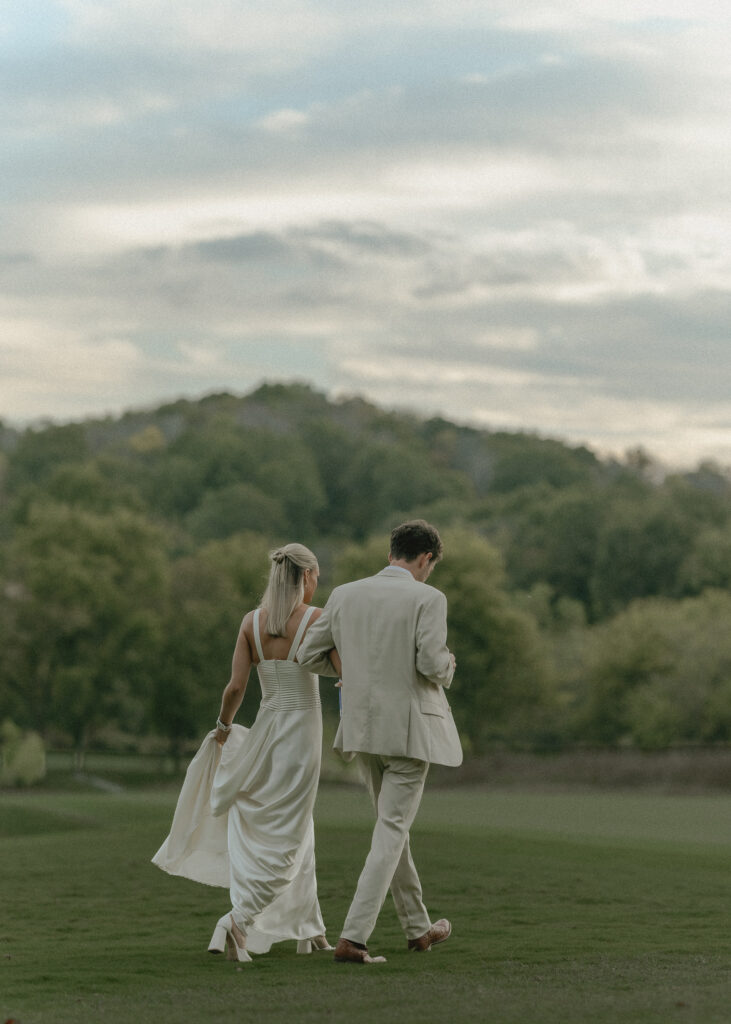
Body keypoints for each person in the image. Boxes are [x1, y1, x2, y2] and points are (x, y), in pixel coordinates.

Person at [152, 543, 333, 963]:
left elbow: (235, 688)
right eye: (316, 577)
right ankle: (238, 920)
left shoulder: (252, 623)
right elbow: (343, 669)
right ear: (306, 576)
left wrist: (222, 728)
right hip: (302, 735)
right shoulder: (316, 619)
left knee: (299, 825)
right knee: (290, 833)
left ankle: (312, 927)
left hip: (267, 730)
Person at [296, 519, 462, 964]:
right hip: (409, 733)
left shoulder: (346, 594)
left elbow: (307, 654)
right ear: (425, 559)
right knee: (391, 830)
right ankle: (353, 937)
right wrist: (449, 664)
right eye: (430, 566)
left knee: (394, 829)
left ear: (393, 551)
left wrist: (351, 674)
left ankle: (418, 928)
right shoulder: (429, 597)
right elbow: (430, 662)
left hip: (363, 730)